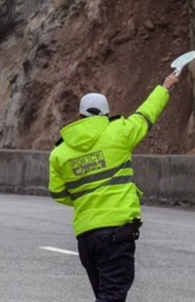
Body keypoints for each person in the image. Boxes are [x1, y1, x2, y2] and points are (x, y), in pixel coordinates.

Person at [48, 71, 179, 302]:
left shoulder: (60, 152)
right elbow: (147, 114)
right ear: (107, 114)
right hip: (117, 235)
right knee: (112, 296)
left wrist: (86, 197)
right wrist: (165, 87)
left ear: (79, 116)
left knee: (105, 295)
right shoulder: (120, 132)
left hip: (86, 238)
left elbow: (58, 193)